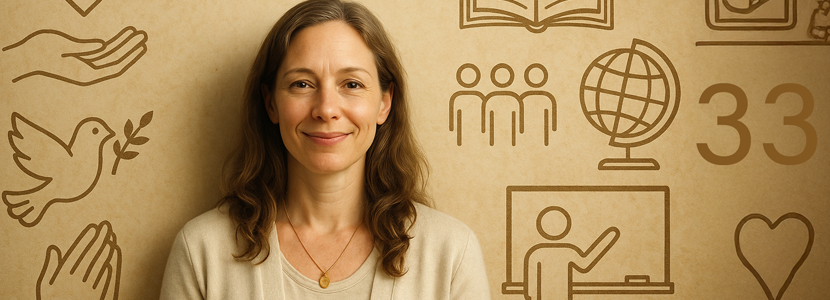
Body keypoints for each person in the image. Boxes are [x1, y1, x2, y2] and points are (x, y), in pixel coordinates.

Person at [159, 0, 490, 299]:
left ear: (384, 104)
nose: (326, 109)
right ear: (271, 103)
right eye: (302, 84)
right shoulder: (201, 249)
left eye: (352, 84)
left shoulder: (451, 253)